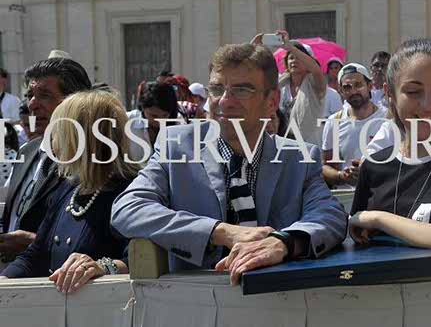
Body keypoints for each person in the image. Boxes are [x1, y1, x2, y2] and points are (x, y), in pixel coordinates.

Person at [111, 43, 347, 284]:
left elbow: (330, 215)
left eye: (241, 90)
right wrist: (219, 231)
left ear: (272, 100)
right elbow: (127, 208)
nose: (224, 101)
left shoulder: (298, 158)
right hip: (192, 299)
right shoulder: (176, 146)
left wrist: (284, 242)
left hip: (275, 299)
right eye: (216, 89)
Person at [348, 39, 431, 267]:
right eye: (413, 92)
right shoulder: (373, 166)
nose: (428, 105)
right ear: (389, 93)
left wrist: (380, 219)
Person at [0, 90, 139, 291]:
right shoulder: (67, 187)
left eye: (58, 132)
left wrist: (103, 267)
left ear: (81, 139)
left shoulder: (131, 192)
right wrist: (4, 281)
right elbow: (35, 255)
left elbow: (141, 260)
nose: (52, 141)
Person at [0, 57, 92, 262]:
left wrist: (35, 243)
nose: (32, 105)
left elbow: (95, 237)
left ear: (74, 101)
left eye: (45, 95)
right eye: (29, 95)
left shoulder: (91, 161)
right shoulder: (27, 152)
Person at [321, 63, 386, 188]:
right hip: (347, 196)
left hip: (380, 193)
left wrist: (370, 170)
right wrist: (341, 175)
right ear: (341, 91)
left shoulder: (388, 119)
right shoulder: (334, 121)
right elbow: (325, 166)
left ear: (369, 86)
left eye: (358, 85)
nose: (353, 91)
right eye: (347, 87)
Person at [270, 31, 327, 147]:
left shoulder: (315, 84)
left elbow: (315, 69)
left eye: (299, 58)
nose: (294, 61)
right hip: (284, 143)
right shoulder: (279, 84)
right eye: (291, 58)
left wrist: (290, 47)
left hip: (310, 144)